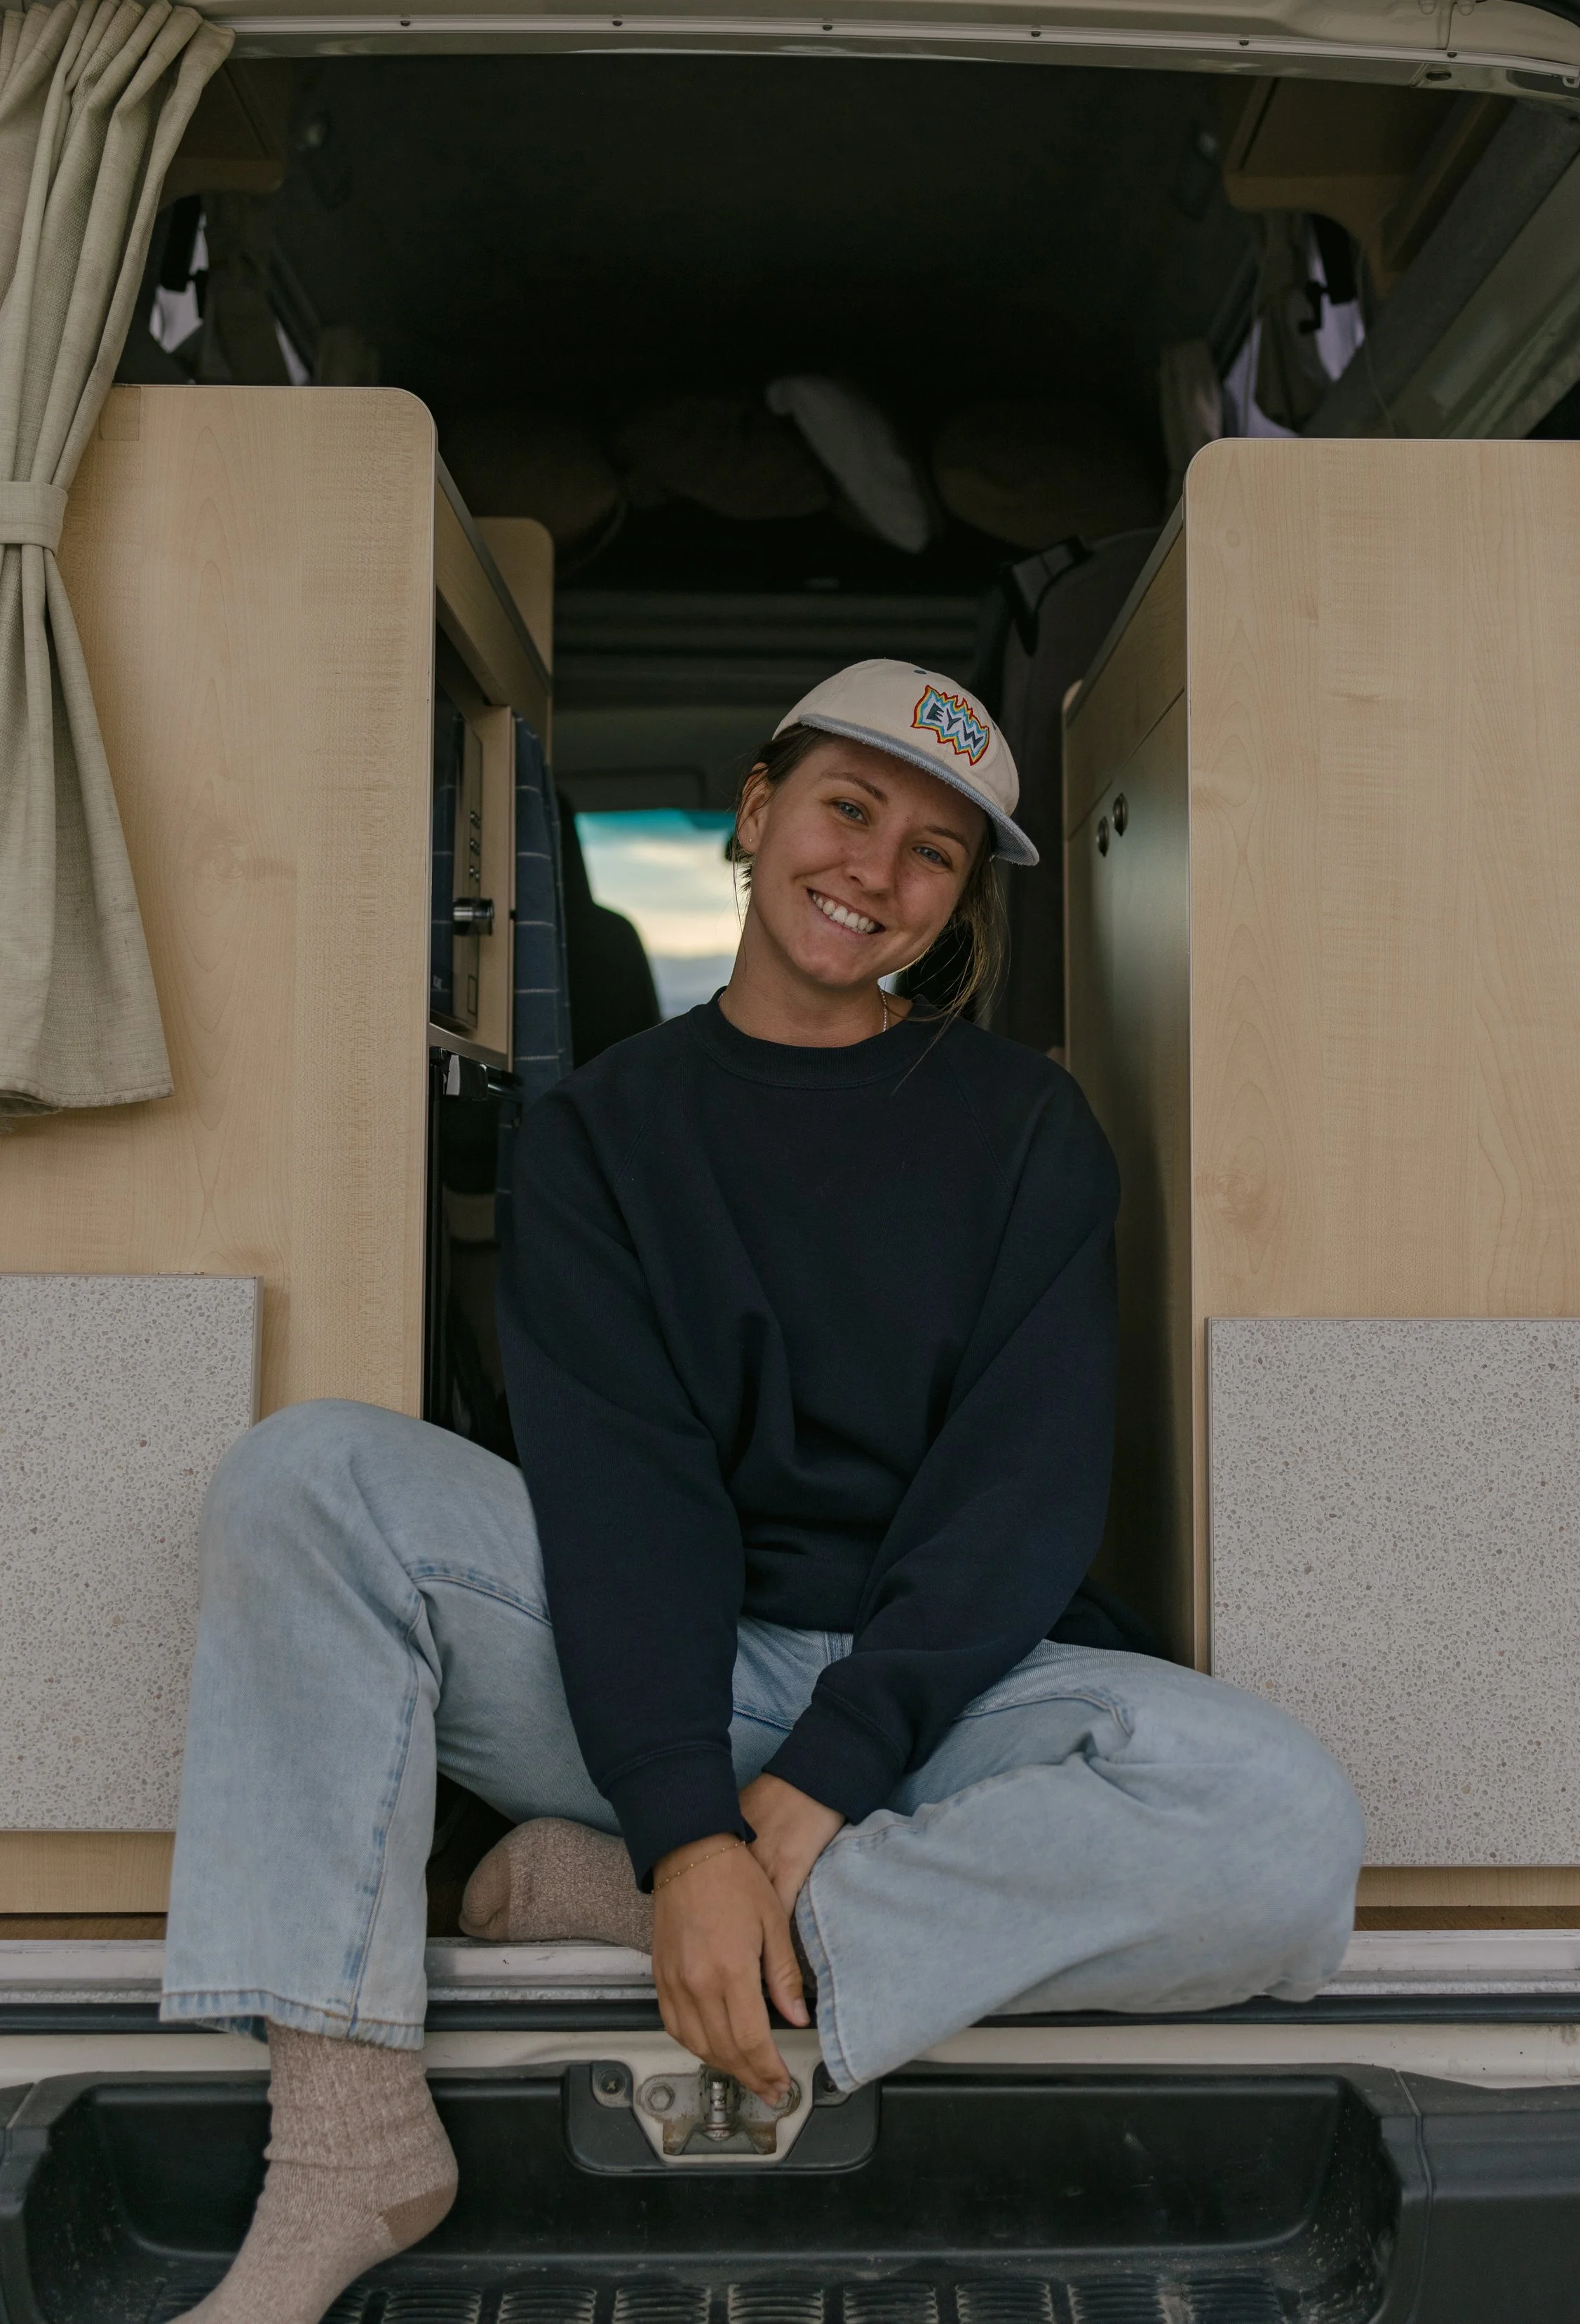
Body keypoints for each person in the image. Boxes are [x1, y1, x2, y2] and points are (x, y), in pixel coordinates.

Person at [161, 659, 1364, 2323]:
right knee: (308, 1479)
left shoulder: (1025, 1127)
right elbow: (625, 1491)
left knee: (1282, 1824)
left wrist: (787, 1806)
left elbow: (1015, 1502)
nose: (874, 870)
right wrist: (681, 1806)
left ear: (953, 909)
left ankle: (650, 1905)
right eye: (846, 809)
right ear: (756, 812)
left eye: (932, 854)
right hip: (652, 1667)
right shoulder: (596, 1134)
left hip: (938, 1702)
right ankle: (344, 2131)